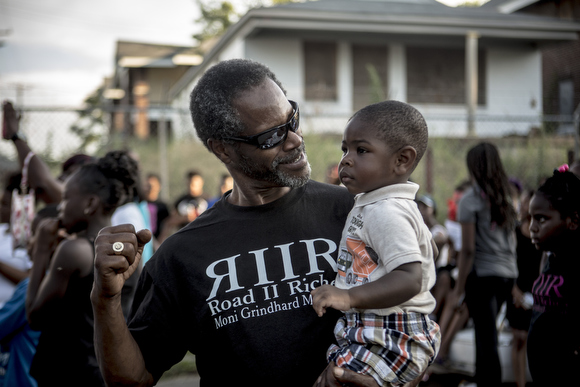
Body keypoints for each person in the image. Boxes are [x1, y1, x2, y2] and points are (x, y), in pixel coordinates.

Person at [89, 59, 379, 387]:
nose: (295, 139)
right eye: (271, 136)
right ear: (223, 149)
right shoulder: (183, 256)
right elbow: (131, 379)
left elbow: (415, 319)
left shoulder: (355, 212)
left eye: (292, 119)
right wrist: (105, 299)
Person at [311, 100, 440, 387]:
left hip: (391, 330)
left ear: (402, 160)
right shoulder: (373, 203)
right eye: (345, 149)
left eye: (362, 150)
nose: (346, 158)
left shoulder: (387, 210)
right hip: (371, 327)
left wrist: (347, 297)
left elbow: (410, 278)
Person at [26, 150, 140, 387]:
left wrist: (41, 252)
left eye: (66, 198)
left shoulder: (73, 251)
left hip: (69, 371)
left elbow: (35, 316)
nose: (60, 207)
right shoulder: (125, 248)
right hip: (103, 369)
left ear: (90, 204)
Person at [450, 142, 518, 387]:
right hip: (507, 274)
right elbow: (512, 241)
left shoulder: (469, 200)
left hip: (483, 276)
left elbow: (467, 250)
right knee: (490, 337)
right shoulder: (508, 197)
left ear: (473, 167)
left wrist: (458, 289)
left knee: (485, 340)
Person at [527, 168, 580, 386]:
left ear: (573, 221)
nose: (532, 227)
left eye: (541, 219)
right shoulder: (552, 260)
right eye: (531, 218)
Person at [0, 205, 58, 387]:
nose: (29, 242)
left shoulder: (32, 285)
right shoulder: (60, 281)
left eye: (34, 235)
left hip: (21, 377)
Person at [506, 189, 542, 387]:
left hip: (536, 293)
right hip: (517, 291)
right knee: (518, 338)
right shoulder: (515, 231)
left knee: (530, 338)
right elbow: (508, 263)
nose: (525, 205)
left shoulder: (542, 232)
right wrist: (515, 291)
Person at [0, 172, 31, 308]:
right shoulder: (1, 230)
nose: (0, 208)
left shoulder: (32, 239)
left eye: (5, 204)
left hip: (10, 316)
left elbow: (31, 281)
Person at [144, 173, 170, 247]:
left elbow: (167, 225)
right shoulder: (140, 204)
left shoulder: (163, 206)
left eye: (153, 186)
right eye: (148, 186)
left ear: (159, 187)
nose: (150, 189)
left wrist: (159, 242)